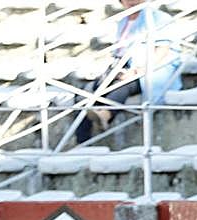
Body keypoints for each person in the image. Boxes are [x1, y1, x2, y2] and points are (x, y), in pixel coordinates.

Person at [77, 0, 183, 143]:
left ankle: (106, 114)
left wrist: (139, 70)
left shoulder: (159, 18)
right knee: (87, 93)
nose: (133, 1)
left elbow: (162, 50)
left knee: (123, 85)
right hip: (124, 67)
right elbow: (119, 53)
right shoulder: (123, 22)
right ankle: (81, 141)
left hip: (153, 69)